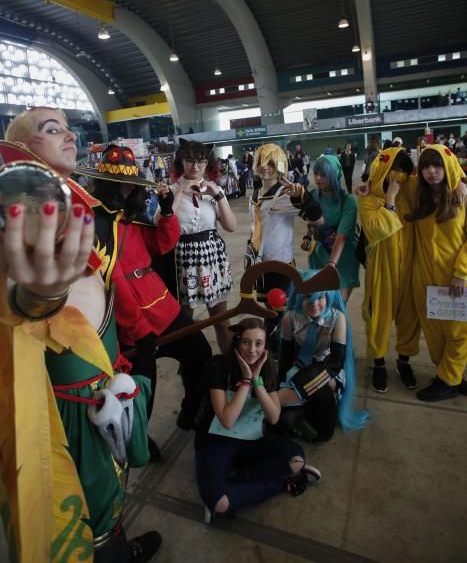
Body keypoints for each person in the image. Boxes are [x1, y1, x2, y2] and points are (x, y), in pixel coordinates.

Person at [2, 107, 161, 562]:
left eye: (69, 128)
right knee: (85, 504)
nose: (69, 136)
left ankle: (120, 547)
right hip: (70, 400)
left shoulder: (74, 204)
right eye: (52, 130)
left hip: (102, 376)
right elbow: (18, 299)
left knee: (111, 488)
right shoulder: (18, 213)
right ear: (22, 149)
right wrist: (42, 295)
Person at [86, 145, 212, 438]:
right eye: (121, 183)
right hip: (132, 324)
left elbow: (163, 245)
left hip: (164, 308)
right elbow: (112, 279)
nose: (128, 187)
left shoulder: (134, 214)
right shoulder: (96, 222)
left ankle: (191, 410)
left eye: (132, 181)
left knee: (201, 354)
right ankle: (139, 443)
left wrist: (167, 212)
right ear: (107, 184)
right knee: (142, 391)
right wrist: (138, 330)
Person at [194, 318, 321, 522]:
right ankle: (279, 483)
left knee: (296, 459)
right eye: (246, 342)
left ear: (265, 346)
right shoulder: (218, 365)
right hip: (214, 440)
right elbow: (226, 420)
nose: (252, 350)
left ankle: (240, 481)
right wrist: (245, 380)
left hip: (249, 438)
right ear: (237, 342)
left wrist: (256, 380)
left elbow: (273, 416)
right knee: (219, 504)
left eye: (258, 343)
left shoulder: (268, 368)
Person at [276, 272, 369, 443]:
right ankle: (294, 407)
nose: (314, 303)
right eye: (308, 297)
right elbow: (286, 357)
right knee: (284, 422)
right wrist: (279, 382)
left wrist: (293, 388)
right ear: (299, 297)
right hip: (300, 367)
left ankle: (281, 400)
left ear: (329, 297)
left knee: (324, 387)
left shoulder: (337, 318)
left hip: (328, 369)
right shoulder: (290, 318)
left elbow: (336, 361)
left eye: (321, 297)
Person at [405, 145, 467, 401]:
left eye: (438, 165)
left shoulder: (461, 197)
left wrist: (462, 273)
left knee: (457, 333)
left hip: (456, 278)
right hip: (425, 279)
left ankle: (447, 380)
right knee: (434, 331)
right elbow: (395, 177)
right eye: (426, 166)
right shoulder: (421, 196)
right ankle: (454, 375)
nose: (431, 171)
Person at [358, 148, 420, 393]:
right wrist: (390, 200)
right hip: (381, 270)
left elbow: (439, 178)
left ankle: (404, 361)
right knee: (378, 318)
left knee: (409, 318)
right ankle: (379, 363)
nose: (400, 176)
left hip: (409, 267)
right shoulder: (368, 198)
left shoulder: (411, 192)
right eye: (396, 170)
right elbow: (374, 230)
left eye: (405, 171)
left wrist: (460, 185)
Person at [248, 144, 323, 339]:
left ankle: (283, 356)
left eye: (271, 163)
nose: (265, 167)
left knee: (282, 316)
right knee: (269, 312)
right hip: (261, 264)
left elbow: (317, 219)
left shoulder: (285, 193)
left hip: (281, 266)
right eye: (261, 162)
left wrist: (303, 198)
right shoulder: (255, 195)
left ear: (280, 165)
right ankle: (271, 354)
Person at [169, 139, 236, 353]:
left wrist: (217, 193)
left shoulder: (213, 191)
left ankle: (229, 368)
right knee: (184, 324)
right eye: (189, 160)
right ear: (181, 161)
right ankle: (190, 373)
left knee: (221, 321)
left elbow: (231, 226)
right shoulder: (170, 190)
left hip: (212, 256)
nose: (195, 166)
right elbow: (159, 221)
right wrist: (180, 191)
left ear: (207, 164)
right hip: (183, 257)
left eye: (200, 161)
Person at [303, 154, 360, 303]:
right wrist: (307, 237)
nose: (318, 178)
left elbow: (342, 236)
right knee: (320, 308)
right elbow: (312, 222)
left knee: (337, 307)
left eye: (323, 175)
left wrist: (331, 265)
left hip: (343, 257)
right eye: (316, 173)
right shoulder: (313, 195)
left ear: (334, 175)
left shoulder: (348, 201)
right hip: (319, 254)